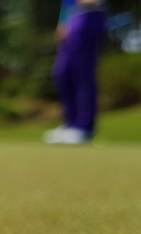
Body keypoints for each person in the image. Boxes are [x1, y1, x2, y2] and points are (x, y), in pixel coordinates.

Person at [44, 0, 107, 145]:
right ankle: (70, 125)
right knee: (63, 74)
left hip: (90, 13)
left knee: (83, 74)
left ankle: (84, 128)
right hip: (72, 18)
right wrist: (63, 22)